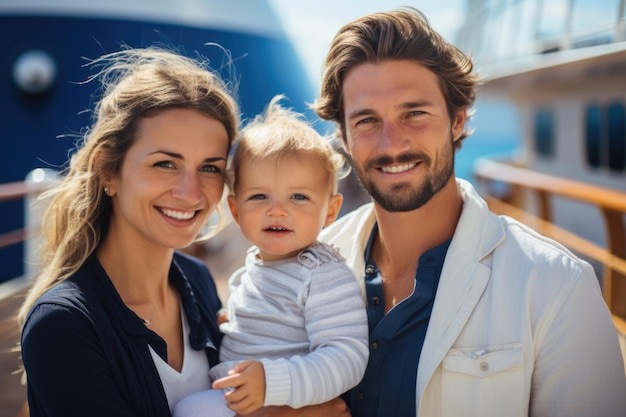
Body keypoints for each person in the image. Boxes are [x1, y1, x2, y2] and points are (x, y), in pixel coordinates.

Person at [309, 7, 626, 417]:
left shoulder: (555, 287)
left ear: (457, 120)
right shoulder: (311, 264)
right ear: (345, 139)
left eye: (414, 113)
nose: (392, 143)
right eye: (367, 120)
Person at [17, 46, 241, 417]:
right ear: (109, 170)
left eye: (210, 168)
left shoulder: (198, 281)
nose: (191, 193)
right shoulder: (62, 325)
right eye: (165, 164)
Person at [172, 96, 369, 417]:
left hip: (282, 401)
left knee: (190, 410)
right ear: (235, 209)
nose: (277, 209)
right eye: (259, 196)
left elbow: (347, 356)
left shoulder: (322, 274)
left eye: (299, 197)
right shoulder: (254, 265)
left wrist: (272, 382)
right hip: (240, 397)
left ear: (330, 211)